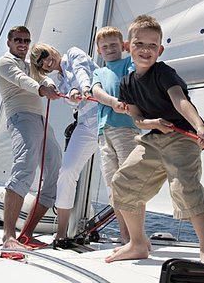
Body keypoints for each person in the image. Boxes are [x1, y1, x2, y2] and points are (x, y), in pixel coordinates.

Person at [105, 15, 204, 271]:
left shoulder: (164, 73)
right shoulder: (126, 83)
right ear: (128, 47)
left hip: (181, 137)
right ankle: (137, 243)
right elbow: (137, 119)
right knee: (122, 182)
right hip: (152, 139)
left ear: (160, 50)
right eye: (139, 44)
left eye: (152, 45)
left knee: (185, 186)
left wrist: (200, 127)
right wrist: (153, 123)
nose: (145, 50)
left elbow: (180, 100)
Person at [0, 26, 62, 249]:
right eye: (18, 40)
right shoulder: (5, 63)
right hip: (21, 118)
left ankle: (26, 234)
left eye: (26, 40)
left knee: (54, 171)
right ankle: (8, 236)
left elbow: (43, 78)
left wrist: (50, 85)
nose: (23, 44)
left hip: (42, 122)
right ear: (9, 42)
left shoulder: (30, 66)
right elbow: (24, 81)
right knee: (25, 167)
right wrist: (43, 90)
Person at [30, 43, 99, 242]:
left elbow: (81, 71)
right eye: (41, 63)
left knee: (116, 175)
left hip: (105, 118)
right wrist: (73, 96)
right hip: (86, 124)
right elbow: (70, 100)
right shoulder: (59, 81)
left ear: (51, 49)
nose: (46, 61)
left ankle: (129, 237)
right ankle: (62, 234)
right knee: (66, 172)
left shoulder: (73, 53)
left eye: (44, 54)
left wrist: (82, 88)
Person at [90, 26, 142, 244]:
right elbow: (96, 91)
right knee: (112, 186)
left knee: (128, 183)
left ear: (123, 46)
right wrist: (112, 102)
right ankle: (125, 235)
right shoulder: (98, 72)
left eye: (114, 45)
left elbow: (139, 73)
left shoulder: (128, 64)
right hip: (104, 133)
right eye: (105, 46)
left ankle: (137, 237)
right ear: (99, 51)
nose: (110, 49)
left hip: (126, 130)